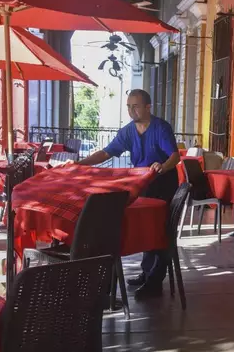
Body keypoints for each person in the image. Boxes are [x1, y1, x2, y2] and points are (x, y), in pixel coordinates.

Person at [77, 89, 180, 300]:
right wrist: (80, 164)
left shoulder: (161, 128)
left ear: (148, 107)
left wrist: (162, 166)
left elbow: (175, 156)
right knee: (146, 227)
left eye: (136, 106)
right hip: (142, 184)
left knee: (159, 230)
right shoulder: (127, 132)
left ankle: (155, 281)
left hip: (163, 183)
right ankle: (145, 272)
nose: (131, 110)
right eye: (128, 106)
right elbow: (107, 152)